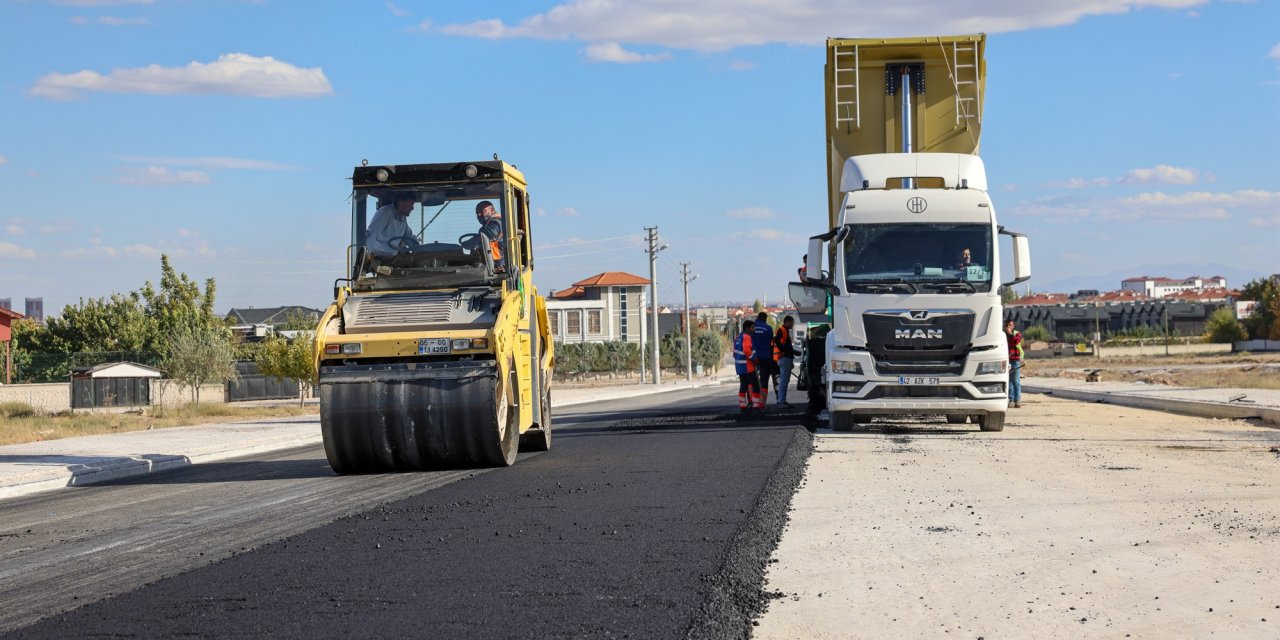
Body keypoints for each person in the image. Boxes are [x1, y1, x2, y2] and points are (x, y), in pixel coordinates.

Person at [733, 320, 761, 414]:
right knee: (755, 386)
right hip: (748, 366)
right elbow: (747, 350)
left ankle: (743, 406)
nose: (754, 330)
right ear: (747, 328)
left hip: (740, 367)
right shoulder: (747, 337)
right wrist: (754, 359)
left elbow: (734, 352)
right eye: (752, 328)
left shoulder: (738, 337)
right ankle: (756, 407)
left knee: (743, 386)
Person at [751, 312, 776, 411]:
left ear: (757, 318)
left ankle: (754, 403)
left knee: (753, 381)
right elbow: (771, 343)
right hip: (766, 358)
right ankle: (762, 403)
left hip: (753, 358)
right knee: (764, 381)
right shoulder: (768, 329)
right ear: (765, 319)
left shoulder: (751, 328)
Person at [773, 315, 798, 407]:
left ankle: (781, 400)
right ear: (787, 322)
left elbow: (786, 346)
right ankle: (781, 401)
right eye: (792, 322)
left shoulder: (785, 331)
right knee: (784, 381)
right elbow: (776, 340)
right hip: (784, 358)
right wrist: (783, 350)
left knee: (784, 380)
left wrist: (793, 352)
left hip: (785, 358)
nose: (793, 324)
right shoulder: (782, 330)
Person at [475, 200, 504, 267]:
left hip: (499, 265)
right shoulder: (485, 227)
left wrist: (471, 242)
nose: (479, 215)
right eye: (477, 213)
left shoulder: (496, 222)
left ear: (492, 210)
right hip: (490, 263)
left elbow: (489, 236)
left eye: (482, 211)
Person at [1006, 319, 1023, 408]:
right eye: (1007, 325)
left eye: (1010, 325)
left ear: (1013, 326)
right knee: (1009, 381)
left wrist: (1010, 334)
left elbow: (1016, 341)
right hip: (1007, 360)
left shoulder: (1017, 334)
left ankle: (1017, 400)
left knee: (1016, 381)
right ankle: (1011, 400)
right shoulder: (1003, 335)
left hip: (1015, 360)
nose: (1008, 327)